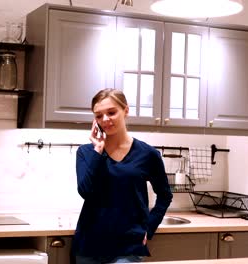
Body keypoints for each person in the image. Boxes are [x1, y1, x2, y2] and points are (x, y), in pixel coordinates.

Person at [72, 88, 173, 264]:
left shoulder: (148, 154)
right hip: (89, 243)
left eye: (111, 112)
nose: (105, 120)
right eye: (98, 115)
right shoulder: (86, 152)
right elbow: (85, 191)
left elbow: (165, 195)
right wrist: (98, 151)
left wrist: (149, 228)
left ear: (125, 111)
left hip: (128, 245)